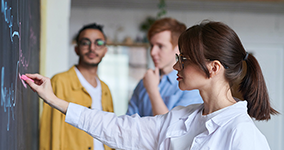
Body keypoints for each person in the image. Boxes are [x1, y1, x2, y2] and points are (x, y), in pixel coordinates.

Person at [26, 20, 279, 150]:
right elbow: (120, 128)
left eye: (184, 59)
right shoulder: (183, 117)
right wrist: (56, 100)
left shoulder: (243, 136)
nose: (177, 66)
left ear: (213, 68)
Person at [39, 23, 114, 150]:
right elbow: (50, 131)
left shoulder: (105, 89)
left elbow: (110, 130)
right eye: (85, 43)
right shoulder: (60, 81)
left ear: (105, 51)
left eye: (99, 43)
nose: (92, 48)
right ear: (76, 49)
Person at [126, 17, 203, 116]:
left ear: (178, 49)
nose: (153, 52)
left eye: (160, 46)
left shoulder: (190, 85)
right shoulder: (143, 83)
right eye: (152, 45)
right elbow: (129, 122)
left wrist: (152, 90)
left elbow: (176, 128)